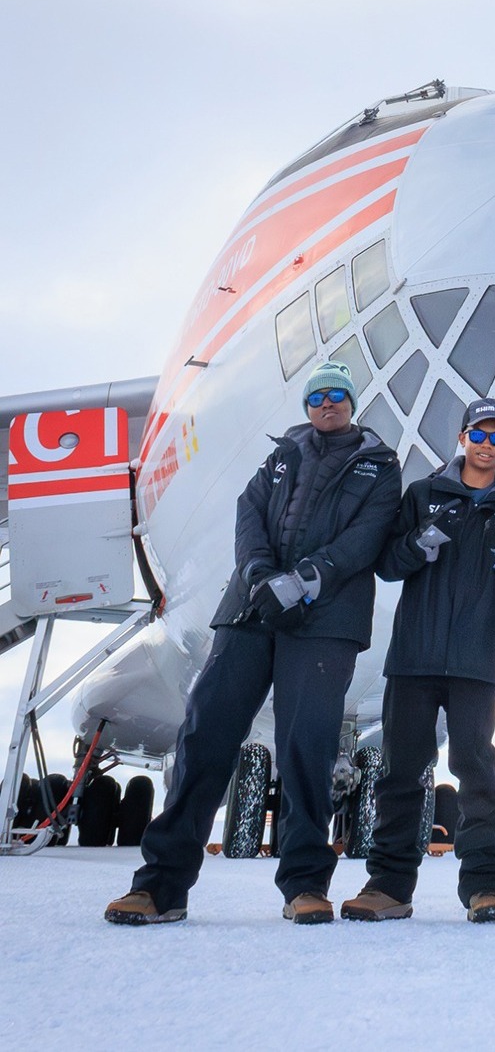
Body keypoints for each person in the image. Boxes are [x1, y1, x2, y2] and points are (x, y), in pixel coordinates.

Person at [105, 362, 402, 926]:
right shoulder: (281, 456)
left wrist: (306, 579)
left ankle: (305, 885)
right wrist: (263, 576)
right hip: (250, 611)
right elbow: (250, 517)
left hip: (324, 622)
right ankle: (161, 885)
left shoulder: (379, 467)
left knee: (306, 748)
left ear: (352, 403)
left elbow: (366, 538)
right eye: (319, 395)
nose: (329, 403)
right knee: (205, 734)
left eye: (339, 394)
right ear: (308, 406)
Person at [340, 398, 495, 925]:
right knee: (401, 772)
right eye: (479, 434)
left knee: (477, 774)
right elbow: (388, 565)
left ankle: (483, 887)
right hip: (415, 657)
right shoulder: (425, 494)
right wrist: (421, 542)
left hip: (476, 660)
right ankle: (388, 886)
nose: (487, 445)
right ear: (463, 437)